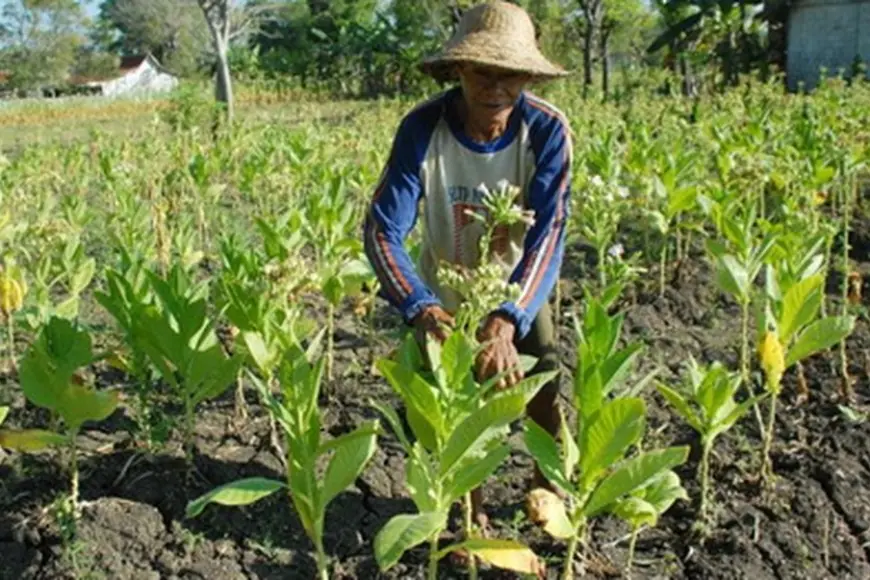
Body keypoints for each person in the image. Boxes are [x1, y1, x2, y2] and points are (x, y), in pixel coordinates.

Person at [363, 1, 572, 528]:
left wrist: (507, 318)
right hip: (441, 293)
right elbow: (383, 228)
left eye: (511, 74)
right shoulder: (422, 128)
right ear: (459, 69)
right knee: (444, 411)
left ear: (529, 74)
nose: (496, 86)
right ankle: (464, 511)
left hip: (516, 290)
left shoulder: (546, 131)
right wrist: (422, 310)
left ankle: (548, 486)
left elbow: (549, 230)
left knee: (542, 380)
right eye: (484, 71)